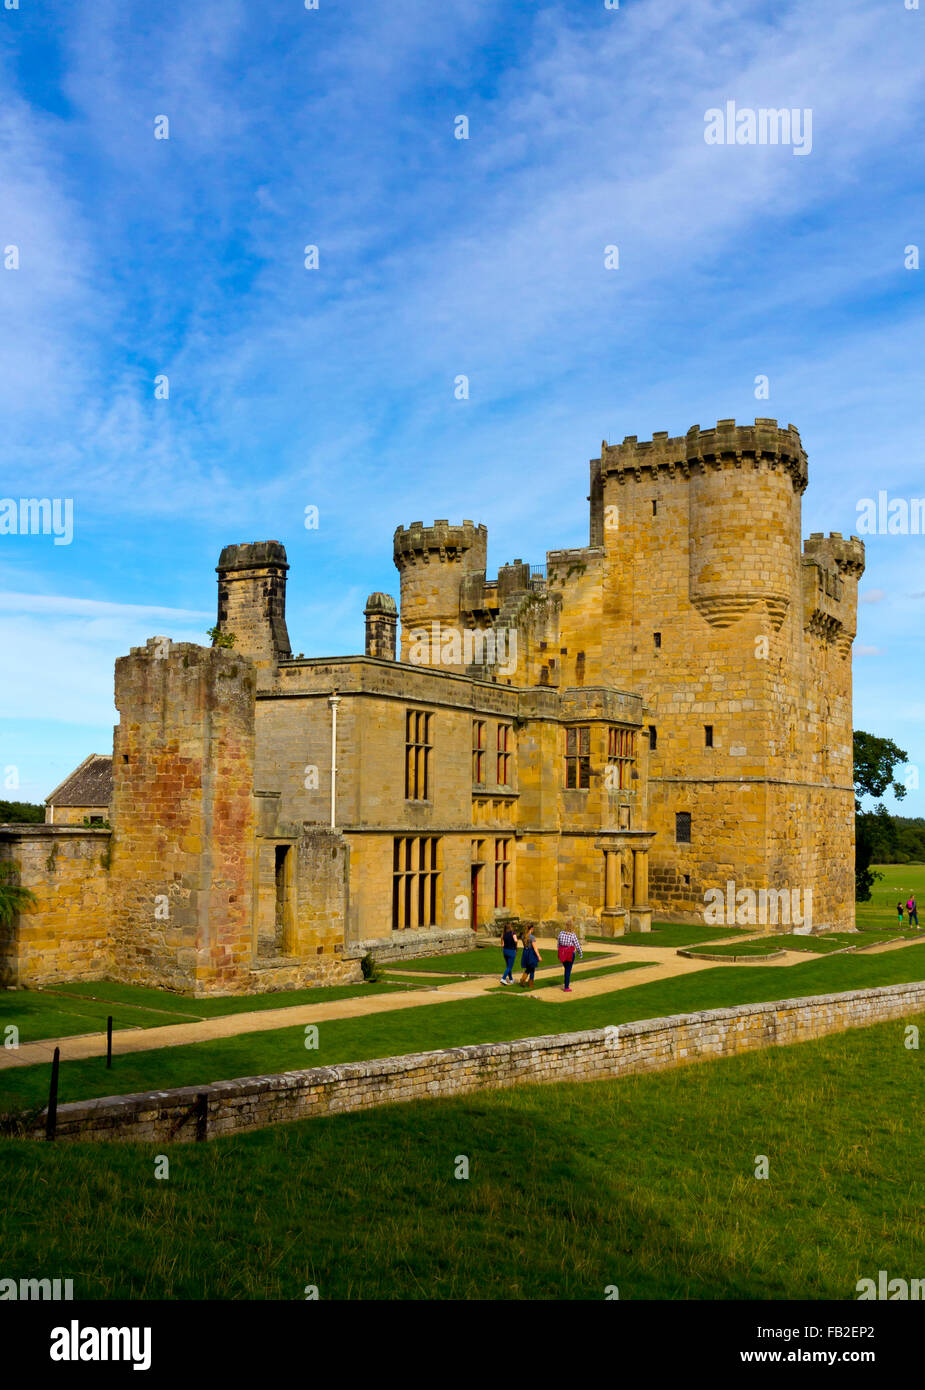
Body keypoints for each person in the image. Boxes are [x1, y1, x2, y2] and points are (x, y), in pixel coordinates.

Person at [557, 923, 583, 992]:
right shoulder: (572, 935)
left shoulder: (561, 933)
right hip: (569, 953)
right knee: (568, 970)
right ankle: (566, 987)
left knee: (566, 969)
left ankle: (566, 984)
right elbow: (577, 945)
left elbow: (558, 944)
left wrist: (559, 952)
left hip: (562, 952)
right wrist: (580, 953)